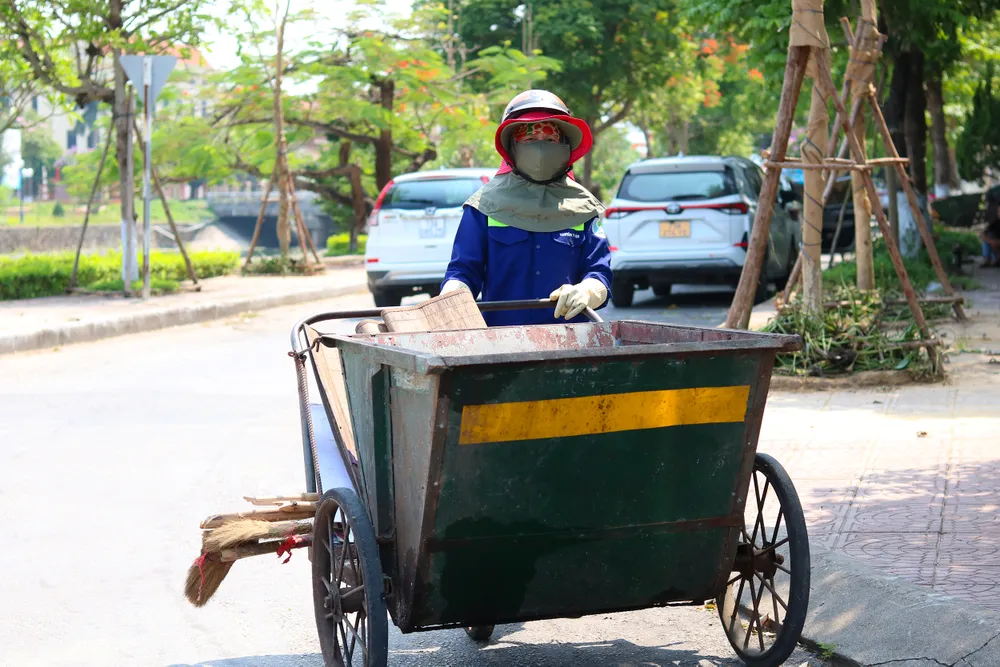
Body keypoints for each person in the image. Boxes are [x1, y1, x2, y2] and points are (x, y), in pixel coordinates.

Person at [440, 90, 612, 326]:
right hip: (501, 344)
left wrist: (587, 291)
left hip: (572, 344)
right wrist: (451, 296)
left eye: (550, 140)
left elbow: (599, 271)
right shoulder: (483, 206)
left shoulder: (584, 207)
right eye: (530, 140)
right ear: (512, 146)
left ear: (564, 146)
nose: (540, 149)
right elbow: (464, 270)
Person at [981, 186, 1000, 267]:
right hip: (995, 246)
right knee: (988, 237)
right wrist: (990, 241)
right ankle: (988, 259)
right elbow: (983, 234)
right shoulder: (995, 223)